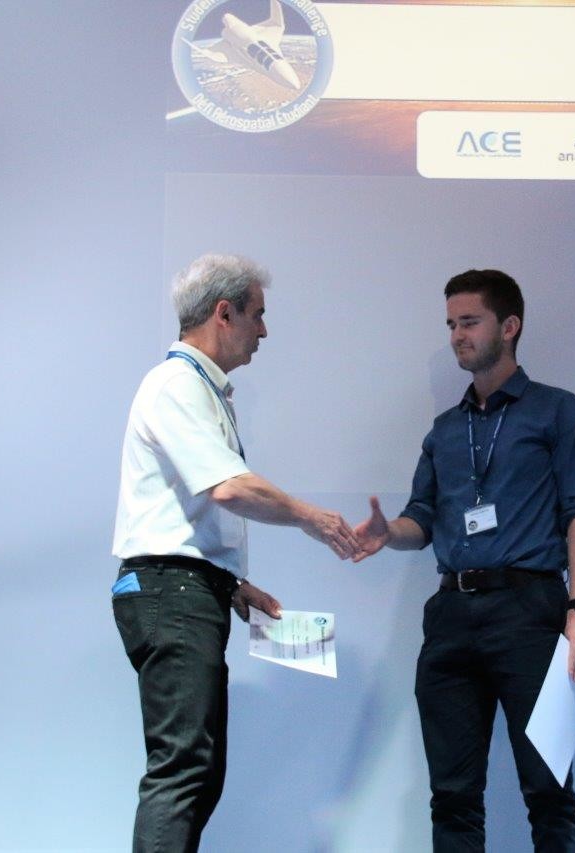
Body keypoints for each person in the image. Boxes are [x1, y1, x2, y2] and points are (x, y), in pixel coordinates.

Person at [111, 253, 364, 852]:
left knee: (198, 771)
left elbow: (186, 510)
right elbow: (226, 486)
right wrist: (310, 517)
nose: (264, 331)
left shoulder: (199, 390)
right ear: (224, 313)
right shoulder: (176, 384)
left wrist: (230, 584)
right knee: (183, 768)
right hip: (171, 594)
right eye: (258, 314)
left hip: (184, 589)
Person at [354, 269, 575, 852]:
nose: (457, 336)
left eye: (469, 322)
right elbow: (421, 520)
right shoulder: (445, 430)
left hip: (530, 612)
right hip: (452, 617)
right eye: (450, 324)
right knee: (453, 797)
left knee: (549, 789)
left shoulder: (557, 412)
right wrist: (389, 533)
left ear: (509, 326)